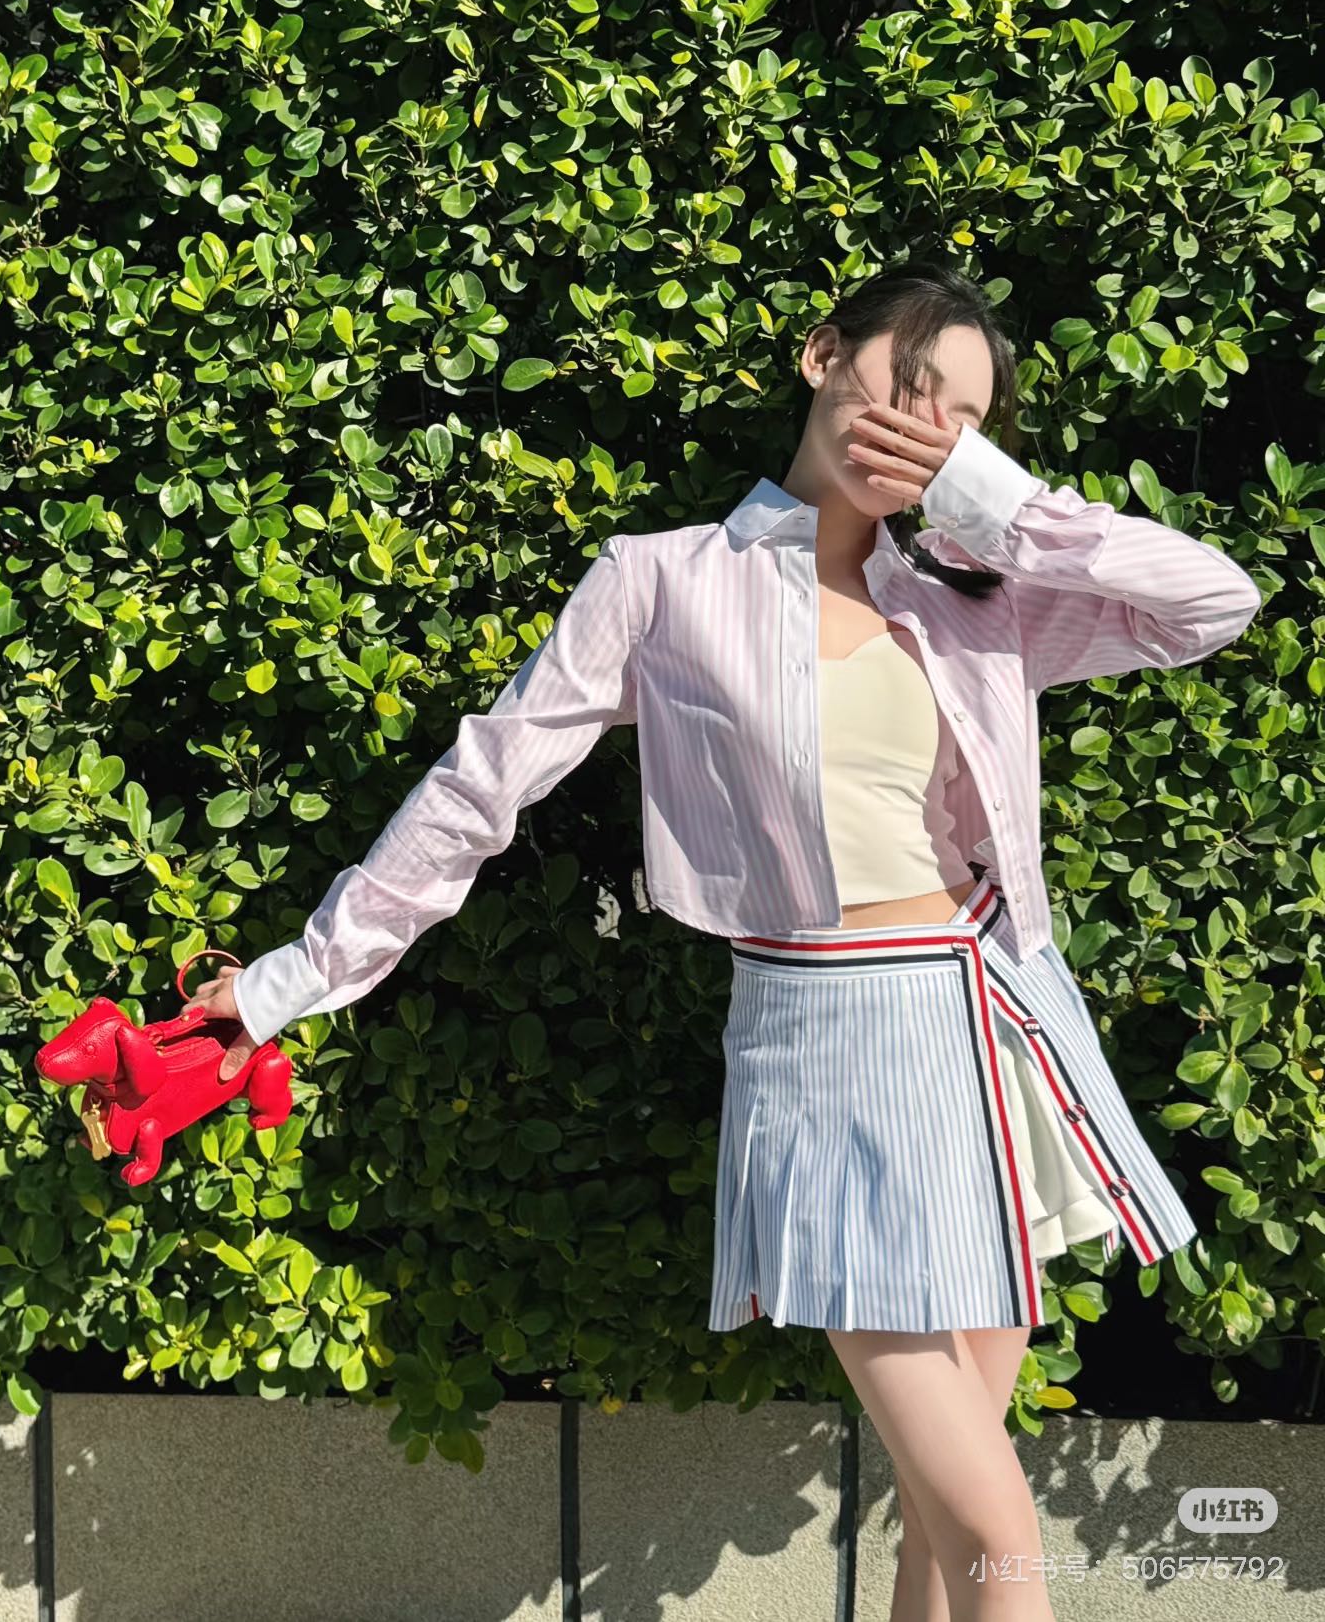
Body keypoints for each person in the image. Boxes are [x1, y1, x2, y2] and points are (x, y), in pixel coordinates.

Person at [189, 259, 1262, 1619]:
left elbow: (1212, 601)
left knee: (945, 1530)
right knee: (1000, 1527)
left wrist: (985, 497)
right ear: (822, 354)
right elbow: (480, 787)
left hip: (992, 1021)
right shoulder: (661, 582)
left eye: (960, 418)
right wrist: (293, 979)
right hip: (827, 1043)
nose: (922, 428)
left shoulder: (972, 594)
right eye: (907, 387)